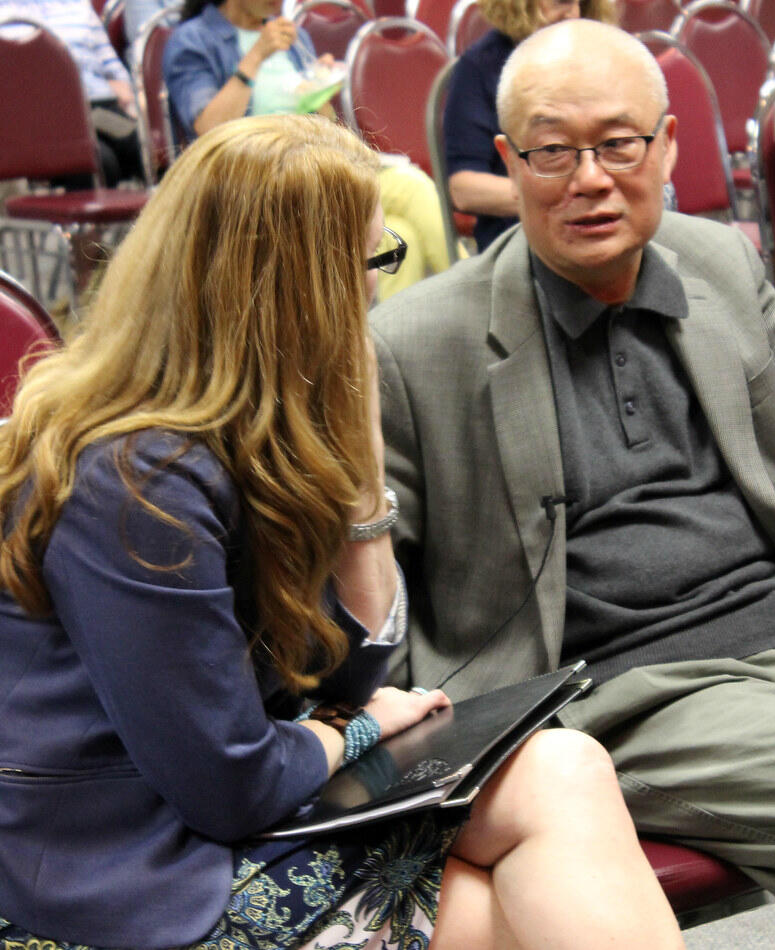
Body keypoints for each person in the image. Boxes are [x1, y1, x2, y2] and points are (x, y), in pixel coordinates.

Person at [371, 17, 775, 950]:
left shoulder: (714, 262)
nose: (590, 177)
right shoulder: (415, 344)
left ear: (669, 144)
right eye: (554, 151)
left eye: (619, 144)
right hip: (641, 689)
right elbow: (372, 593)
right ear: (511, 163)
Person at [0, 114, 687, 950]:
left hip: (235, 807)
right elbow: (231, 784)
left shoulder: (247, 427)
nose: (375, 289)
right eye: (372, 260)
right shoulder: (135, 482)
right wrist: (350, 732)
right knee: (518, 902)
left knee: (563, 768)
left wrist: (363, 485)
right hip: (129, 870)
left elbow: (354, 670)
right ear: (299, 287)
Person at [164, 0, 451, 299]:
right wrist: (256, 57)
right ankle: (473, 290)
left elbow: (322, 121)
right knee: (413, 188)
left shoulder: (295, 37)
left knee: (401, 235)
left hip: (311, 164)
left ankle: (393, 337)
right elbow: (209, 129)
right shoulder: (192, 40)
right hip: (250, 182)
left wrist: (321, 86)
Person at [443, 0, 616, 251]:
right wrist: (564, 195)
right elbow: (464, 189)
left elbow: (656, 140)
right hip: (520, 238)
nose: (572, 13)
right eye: (560, 2)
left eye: (578, 2)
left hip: (605, 222)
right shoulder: (479, 68)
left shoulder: (605, 58)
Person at [0, 0, 143, 187]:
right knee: (102, 162)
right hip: (42, 118)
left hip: (98, 108)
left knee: (144, 149)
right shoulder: (5, 15)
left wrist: (126, 91)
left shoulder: (79, 7)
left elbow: (115, 71)